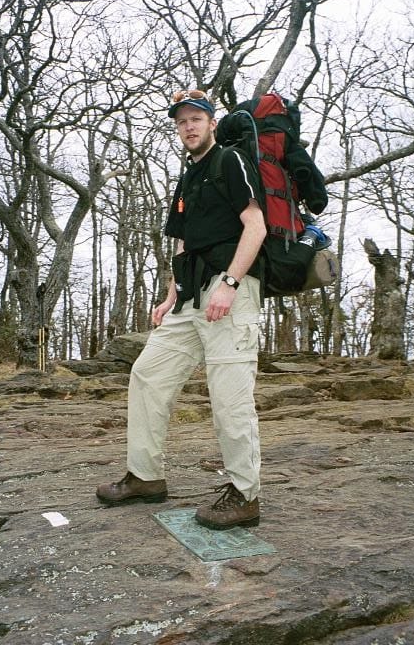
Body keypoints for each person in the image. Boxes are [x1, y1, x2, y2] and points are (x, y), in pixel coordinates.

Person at [96, 89, 267, 529]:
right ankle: (145, 477)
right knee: (147, 375)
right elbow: (184, 241)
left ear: (212, 122)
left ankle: (245, 495)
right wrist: (173, 292)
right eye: (181, 121)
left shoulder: (231, 161)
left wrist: (229, 283)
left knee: (229, 397)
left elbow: (256, 225)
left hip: (230, 293)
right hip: (189, 298)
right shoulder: (188, 176)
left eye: (197, 118)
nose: (189, 126)